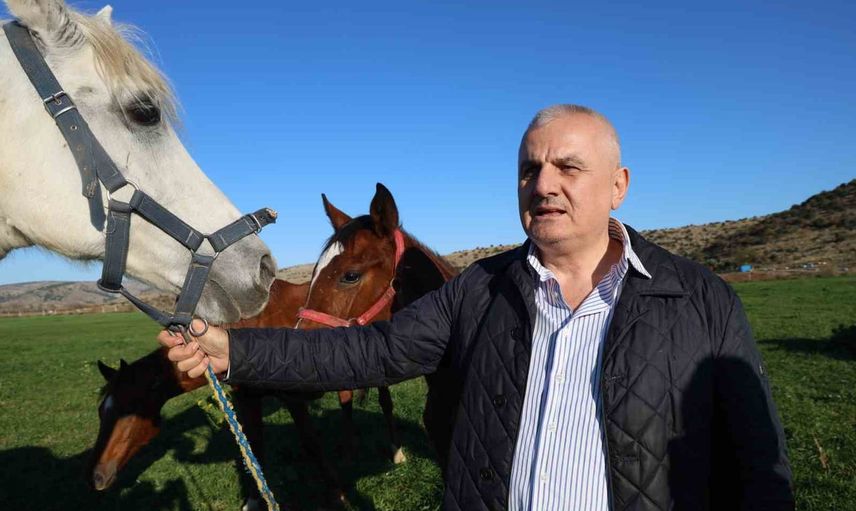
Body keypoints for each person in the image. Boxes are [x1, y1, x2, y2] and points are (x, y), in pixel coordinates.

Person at [160, 104, 794, 510]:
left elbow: (758, 462)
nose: (543, 184)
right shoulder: (480, 289)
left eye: (569, 167)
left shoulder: (700, 300)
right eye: (529, 169)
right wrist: (232, 347)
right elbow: (370, 350)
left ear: (618, 186)